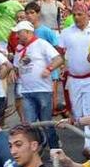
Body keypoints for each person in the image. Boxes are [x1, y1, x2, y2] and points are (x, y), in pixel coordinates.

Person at [58, 1, 90, 155]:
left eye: (80, 14)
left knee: (89, 112)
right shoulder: (66, 32)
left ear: (87, 14)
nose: (77, 18)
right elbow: (61, 54)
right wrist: (54, 67)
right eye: (74, 14)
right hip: (74, 79)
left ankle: (89, 147)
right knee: (78, 114)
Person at [12, 20, 64, 148]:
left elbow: (58, 59)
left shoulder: (41, 44)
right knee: (29, 125)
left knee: (46, 123)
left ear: (28, 32)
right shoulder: (19, 49)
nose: (17, 36)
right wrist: (14, 72)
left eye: (19, 32)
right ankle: (35, 151)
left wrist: (49, 69)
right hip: (26, 91)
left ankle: (54, 149)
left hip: (43, 90)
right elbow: (16, 65)